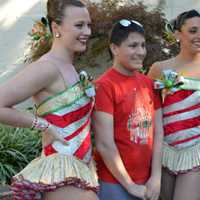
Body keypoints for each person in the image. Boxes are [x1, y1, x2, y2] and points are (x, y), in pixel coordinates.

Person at [0, 0, 99, 200]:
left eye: (88, 25)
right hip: (60, 169)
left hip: (82, 168)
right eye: (79, 25)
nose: (87, 32)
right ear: (56, 27)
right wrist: (43, 125)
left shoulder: (69, 67)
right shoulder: (47, 67)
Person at [92, 19, 163, 200]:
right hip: (114, 183)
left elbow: (158, 133)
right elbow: (104, 144)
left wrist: (156, 177)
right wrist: (130, 185)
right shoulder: (104, 86)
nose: (140, 52)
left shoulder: (149, 84)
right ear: (115, 48)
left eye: (142, 45)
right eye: (132, 46)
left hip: (147, 183)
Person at [148, 9, 200, 200]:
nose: (199, 36)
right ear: (177, 34)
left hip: (196, 152)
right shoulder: (160, 68)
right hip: (164, 153)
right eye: (193, 31)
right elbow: (144, 108)